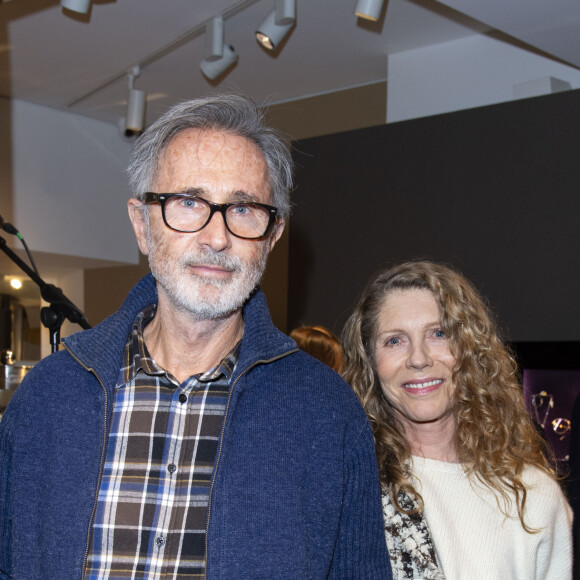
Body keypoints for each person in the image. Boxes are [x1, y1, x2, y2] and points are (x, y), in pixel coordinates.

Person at [0, 94, 390, 579]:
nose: (217, 236)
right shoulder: (47, 398)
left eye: (243, 208)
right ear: (142, 224)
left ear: (272, 236)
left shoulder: (328, 415)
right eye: (188, 202)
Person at [341, 260, 572, 580]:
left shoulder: (535, 497)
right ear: (370, 362)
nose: (419, 359)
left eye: (439, 333)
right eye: (395, 340)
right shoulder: (349, 488)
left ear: (470, 350)